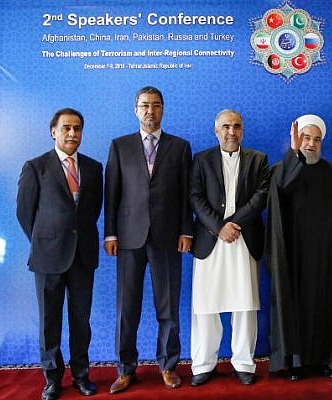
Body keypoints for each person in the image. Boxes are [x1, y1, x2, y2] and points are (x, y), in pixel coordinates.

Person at [104, 86, 193, 393]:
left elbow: (185, 194)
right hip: (128, 237)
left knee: (167, 306)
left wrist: (186, 230)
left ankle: (168, 365)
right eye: (144, 106)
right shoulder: (120, 146)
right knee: (127, 307)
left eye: (155, 105)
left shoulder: (180, 147)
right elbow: (111, 192)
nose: (150, 111)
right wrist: (111, 233)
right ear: (135, 109)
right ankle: (126, 369)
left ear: (163, 109)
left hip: (168, 236)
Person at [16, 108, 103, 400]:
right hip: (48, 257)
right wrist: (45, 240)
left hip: (83, 256)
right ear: (53, 131)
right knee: (49, 321)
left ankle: (81, 375)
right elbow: (25, 213)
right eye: (66, 128)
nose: (72, 134)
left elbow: (92, 212)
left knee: (81, 321)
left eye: (77, 128)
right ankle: (52, 379)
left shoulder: (93, 168)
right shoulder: (35, 167)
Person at [265, 114, 332, 380]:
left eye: (316, 139)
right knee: (295, 307)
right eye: (305, 138)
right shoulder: (282, 169)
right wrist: (295, 155)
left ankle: (327, 360)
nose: (311, 144)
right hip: (294, 256)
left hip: (327, 258)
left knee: (328, 306)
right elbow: (283, 188)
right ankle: (295, 363)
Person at [188, 109, 270, 386]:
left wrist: (234, 224)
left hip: (244, 238)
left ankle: (244, 363)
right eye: (225, 126)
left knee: (245, 305)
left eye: (236, 126)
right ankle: (202, 364)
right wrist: (218, 226)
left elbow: (261, 196)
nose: (231, 132)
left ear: (242, 130)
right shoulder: (201, 160)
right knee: (205, 306)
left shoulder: (258, 160)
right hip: (210, 239)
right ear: (216, 130)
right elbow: (195, 197)